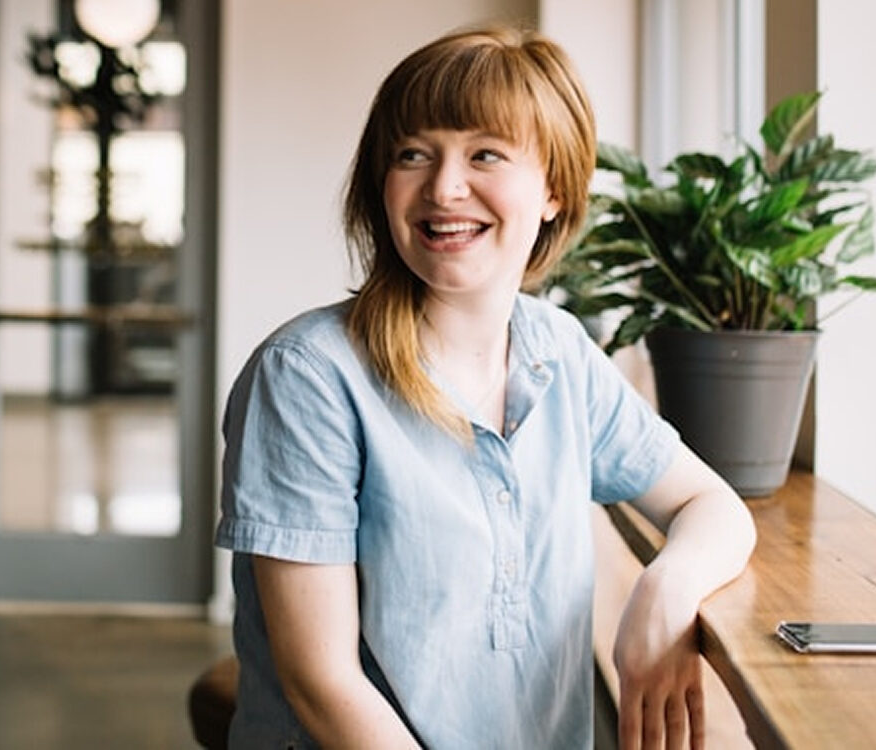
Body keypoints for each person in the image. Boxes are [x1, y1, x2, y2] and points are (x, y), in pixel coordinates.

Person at [216, 25, 755, 750]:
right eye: (413, 154)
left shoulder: (559, 351)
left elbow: (711, 505)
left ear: (555, 191)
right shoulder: (307, 376)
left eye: (485, 155)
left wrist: (666, 590)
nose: (443, 188)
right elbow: (323, 685)